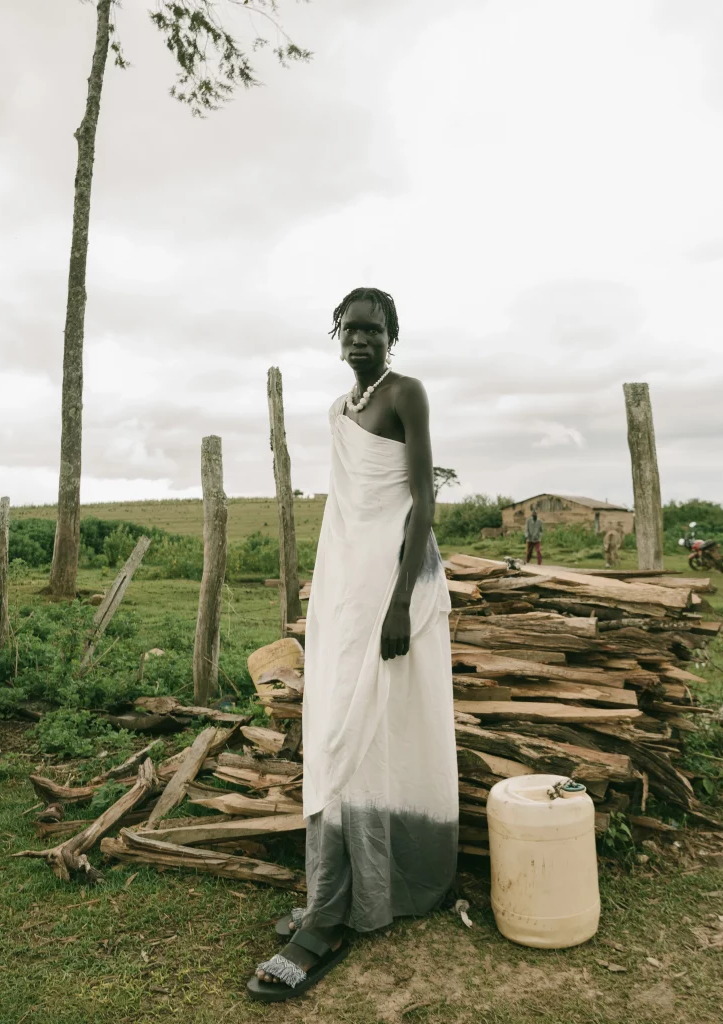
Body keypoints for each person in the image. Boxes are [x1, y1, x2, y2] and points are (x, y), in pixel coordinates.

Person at [248, 288, 459, 1002]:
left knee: (373, 732)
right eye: (349, 328)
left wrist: (400, 599)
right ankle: (336, 890)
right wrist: (336, 591)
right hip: (346, 582)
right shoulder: (338, 411)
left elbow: (420, 499)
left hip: (392, 587)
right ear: (336, 336)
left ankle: (330, 919)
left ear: (391, 335)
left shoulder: (407, 394)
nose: (360, 338)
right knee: (336, 732)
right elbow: (346, 510)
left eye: (373, 329)